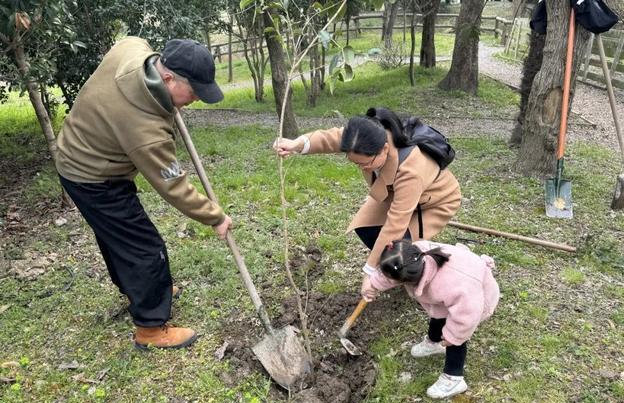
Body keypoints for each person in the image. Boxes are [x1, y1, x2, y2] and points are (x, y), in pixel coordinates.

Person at [55, 37, 232, 350]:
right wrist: (214, 216)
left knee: (117, 237)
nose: (195, 100)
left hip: (79, 153)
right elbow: (173, 185)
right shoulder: (145, 130)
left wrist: (169, 102)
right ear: (167, 78)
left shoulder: (134, 50)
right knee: (144, 248)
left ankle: (138, 289)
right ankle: (150, 329)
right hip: (93, 175)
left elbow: (133, 39)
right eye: (192, 92)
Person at [273, 107, 461, 294]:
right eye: (357, 163)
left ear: (385, 149)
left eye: (366, 163)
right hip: (394, 195)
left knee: (401, 246)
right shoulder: (366, 137)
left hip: (433, 202)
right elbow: (331, 138)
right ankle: (391, 267)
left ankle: (418, 276)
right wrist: (296, 143)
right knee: (366, 227)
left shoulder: (411, 171)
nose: (364, 168)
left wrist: (369, 272)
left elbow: (395, 223)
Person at [362, 239, 500, 399]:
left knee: (455, 339)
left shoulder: (454, 285)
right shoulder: (411, 256)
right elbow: (392, 274)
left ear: (410, 279)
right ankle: (434, 343)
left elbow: (467, 315)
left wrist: (453, 335)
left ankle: (454, 377)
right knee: (438, 316)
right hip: (450, 297)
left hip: (477, 300)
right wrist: (373, 284)